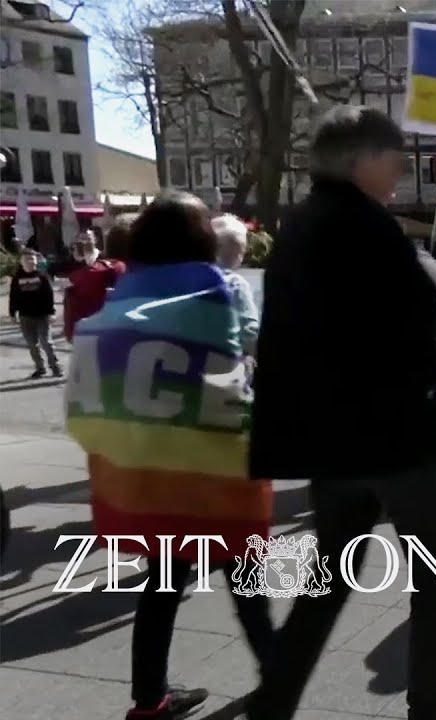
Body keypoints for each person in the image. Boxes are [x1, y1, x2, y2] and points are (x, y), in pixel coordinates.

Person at [247, 105, 436, 720]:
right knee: (435, 579)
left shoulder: (300, 225)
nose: (404, 165)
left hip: (333, 442)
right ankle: (430, 705)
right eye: (395, 154)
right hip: (396, 439)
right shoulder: (363, 226)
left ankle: (275, 699)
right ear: (362, 160)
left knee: (326, 582)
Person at [64, 191, 276, 720]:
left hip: (149, 469)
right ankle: (278, 685)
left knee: (162, 585)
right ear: (202, 239)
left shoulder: (121, 294)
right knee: (246, 579)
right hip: (216, 466)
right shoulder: (222, 288)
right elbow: (253, 351)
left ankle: (149, 701)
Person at [56, 231, 126, 341]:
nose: (85, 241)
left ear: (95, 240)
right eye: (82, 239)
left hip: (100, 312)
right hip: (82, 313)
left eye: (88, 238)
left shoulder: (105, 260)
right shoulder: (71, 261)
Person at [211, 214, 261, 357]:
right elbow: (250, 331)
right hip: (226, 363)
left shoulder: (193, 277)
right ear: (240, 251)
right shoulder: (235, 284)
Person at [8, 248, 61, 379]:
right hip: (25, 316)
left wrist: (52, 312)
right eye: (27, 259)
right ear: (21, 262)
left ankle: (55, 367)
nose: (30, 261)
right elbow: (13, 297)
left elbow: (49, 296)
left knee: (46, 342)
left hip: (42, 315)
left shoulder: (42, 277)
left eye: (32, 259)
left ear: (36, 261)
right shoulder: (17, 279)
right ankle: (40, 368)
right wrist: (12, 313)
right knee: (32, 344)